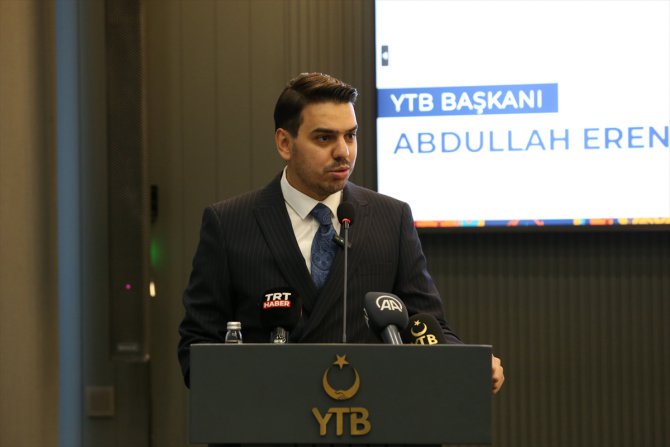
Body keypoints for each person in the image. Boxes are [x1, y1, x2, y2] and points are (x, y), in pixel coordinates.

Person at [177, 72, 504, 394]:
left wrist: (466, 362)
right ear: (285, 143)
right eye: (325, 138)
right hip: (269, 415)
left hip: (366, 414)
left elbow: (425, 326)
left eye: (350, 136)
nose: (343, 152)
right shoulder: (229, 223)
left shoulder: (391, 218)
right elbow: (197, 345)